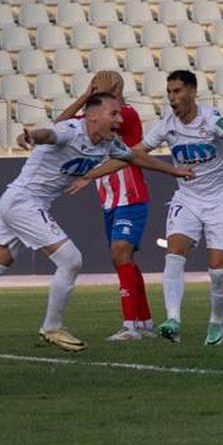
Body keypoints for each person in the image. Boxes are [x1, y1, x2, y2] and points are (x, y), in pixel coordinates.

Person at [0, 93, 192, 355]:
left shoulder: (106, 145)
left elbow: (136, 158)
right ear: (92, 116)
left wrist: (174, 171)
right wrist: (32, 136)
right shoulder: (71, 131)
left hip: (25, 205)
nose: (120, 119)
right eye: (114, 114)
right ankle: (52, 326)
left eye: (120, 114)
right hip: (23, 203)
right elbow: (50, 135)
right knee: (71, 259)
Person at [74, 71, 223, 347]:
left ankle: (216, 322)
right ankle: (172, 321)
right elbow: (132, 154)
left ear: (192, 92)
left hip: (219, 199)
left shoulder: (211, 118)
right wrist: (90, 175)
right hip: (187, 197)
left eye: (177, 92)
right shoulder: (167, 125)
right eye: (169, 93)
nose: (172, 98)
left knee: (218, 270)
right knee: (174, 253)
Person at [56, 72, 155, 341]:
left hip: (131, 196)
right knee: (125, 260)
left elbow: (121, 119)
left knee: (119, 254)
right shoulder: (95, 117)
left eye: (99, 85)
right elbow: (60, 125)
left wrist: (113, 92)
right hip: (109, 199)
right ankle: (145, 321)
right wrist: (86, 96)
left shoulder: (127, 115)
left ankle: (130, 326)